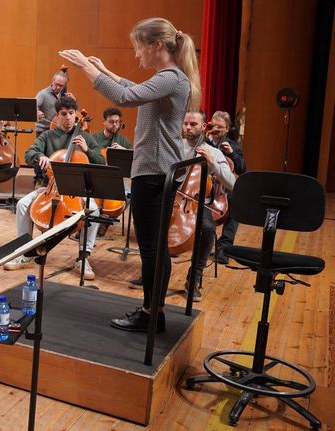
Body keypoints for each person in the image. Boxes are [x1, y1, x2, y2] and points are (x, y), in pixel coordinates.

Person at [60, 16, 201, 332]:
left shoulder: (171, 78)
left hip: (153, 173)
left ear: (156, 46)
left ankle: (152, 315)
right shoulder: (169, 78)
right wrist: (106, 71)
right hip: (156, 171)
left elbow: (126, 97)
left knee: (152, 249)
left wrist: (86, 66)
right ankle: (154, 312)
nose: (137, 55)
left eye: (139, 48)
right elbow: (136, 89)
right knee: (155, 247)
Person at [3, 96, 103, 280]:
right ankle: (26, 252)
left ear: (76, 115)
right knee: (23, 204)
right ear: (57, 116)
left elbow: (101, 162)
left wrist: (88, 150)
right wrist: (40, 156)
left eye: (71, 114)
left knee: (94, 212)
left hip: (77, 192)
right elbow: (29, 153)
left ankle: (83, 257)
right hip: (50, 188)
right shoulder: (48, 136)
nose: (68, 118)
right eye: (63, 114)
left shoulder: (86, 137)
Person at [181, 110, 235, 301]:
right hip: (174, 199)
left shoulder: (214, 152)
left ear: (204, 127)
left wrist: (213, 163)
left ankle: (193, 279)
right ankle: (153, 274)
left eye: (193, 124)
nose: (188, 127)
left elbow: (231, 182)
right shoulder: (175, 147)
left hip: (196, 203)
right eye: (185, 123)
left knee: (208, 230)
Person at [206, 110, 246, 264]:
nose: (216, 129)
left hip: (222, 188)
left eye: (220, 127)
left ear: (227, 130)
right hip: (203, 185)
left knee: (237, 204)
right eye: (214, 125)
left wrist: (233, 155)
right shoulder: (202, 142)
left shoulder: (233, 145)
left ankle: (224, 247)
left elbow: (242, 169)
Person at [35, 70, 74, 136]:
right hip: (43, 130)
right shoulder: (43, 94)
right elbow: (33, 106)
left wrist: (73, 101)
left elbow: (73, 110)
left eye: (61, 86)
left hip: (57, 128)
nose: (58, 87)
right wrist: (36, 112)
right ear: (52, 81)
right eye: (56, 84)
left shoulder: (64, 94)